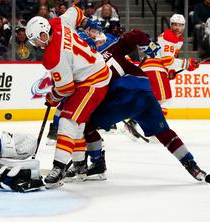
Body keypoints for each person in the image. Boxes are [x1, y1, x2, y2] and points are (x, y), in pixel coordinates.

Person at [64, 29, 208, 183]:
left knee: (86, 126)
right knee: (164, 133)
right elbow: (139, 34)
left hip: (121, 98)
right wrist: (150, 48)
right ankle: (192, 166)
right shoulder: (114, 47)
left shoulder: (86, 66)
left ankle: (97, 163)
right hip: (144, 91)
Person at [25, 0, 112, 188]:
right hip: (90, 73)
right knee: (78, 123)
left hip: (93, 80)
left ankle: (59, 167)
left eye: (35, 40)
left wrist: (52, 97)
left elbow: (66, 89)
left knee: (67, 120)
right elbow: (77, 11)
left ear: (42, 33)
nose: (35, 44)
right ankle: (80, 167)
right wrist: (86, 24)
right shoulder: (58, 23)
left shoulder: (52, 56)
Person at [141, 14, 200, 117]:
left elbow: (167, 59)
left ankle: (139, 121)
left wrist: (169, 71)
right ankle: (154, 124)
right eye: (175, 25)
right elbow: (168, 61)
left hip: (156, 67)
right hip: (154, 67)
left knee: (161, 98)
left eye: (180, 25)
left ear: (184, 26)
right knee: (163, 97)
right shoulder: (169, 37)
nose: (177, 28)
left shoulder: (179, 40)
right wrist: (187, 64)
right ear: (171, 25)